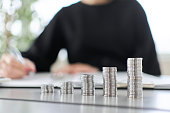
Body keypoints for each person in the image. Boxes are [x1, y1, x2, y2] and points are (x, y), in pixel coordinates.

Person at [0, 0, 161, 79]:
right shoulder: (66, 15)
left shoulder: (133, 10)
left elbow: (151, 71)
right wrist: (16, 64)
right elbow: (37, 57)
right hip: (79, 101)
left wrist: (97, 71)